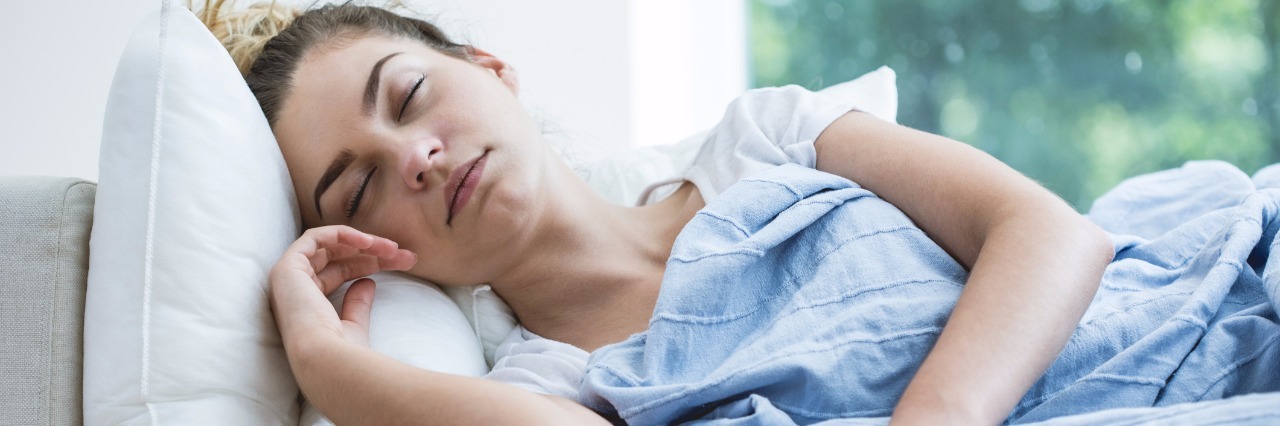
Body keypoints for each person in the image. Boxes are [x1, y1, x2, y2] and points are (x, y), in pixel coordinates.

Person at [200, 1, 1115, 423]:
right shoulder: (549, 389)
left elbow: (1049, 231)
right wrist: (323, 362)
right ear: (372, 249)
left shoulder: (767, 137)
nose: (415, 157)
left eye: (406, 95)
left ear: (490, 70)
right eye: (359, 190)